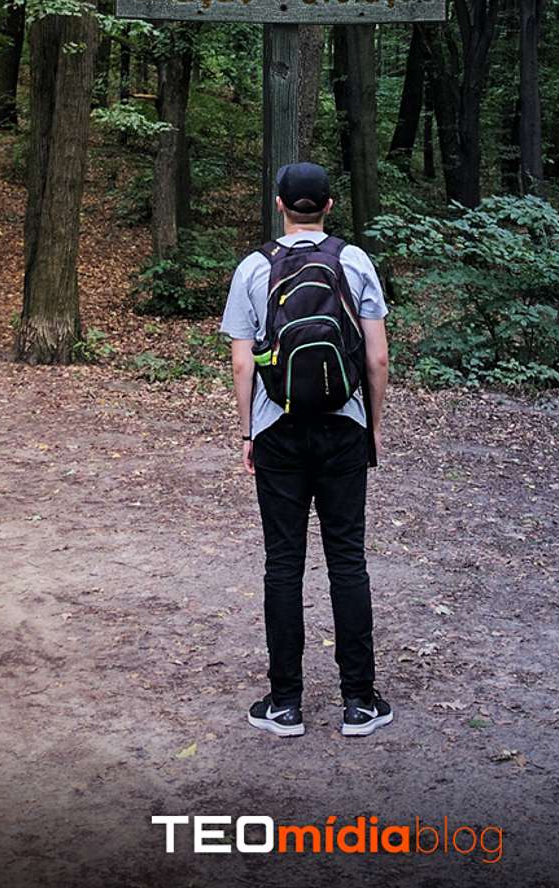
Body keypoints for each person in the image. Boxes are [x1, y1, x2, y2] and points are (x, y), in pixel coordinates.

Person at [219, 161, 392, 738]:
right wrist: (372, 426)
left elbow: (242, 362)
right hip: (344, 427)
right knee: (347, 559)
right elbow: (377, 358)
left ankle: (285, 703)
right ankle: (359, 702)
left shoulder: (253, 267)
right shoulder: (354, 261)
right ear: (329, 206)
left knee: (283, 562)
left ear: (279, 205)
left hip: (278, 429)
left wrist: (248, 432)